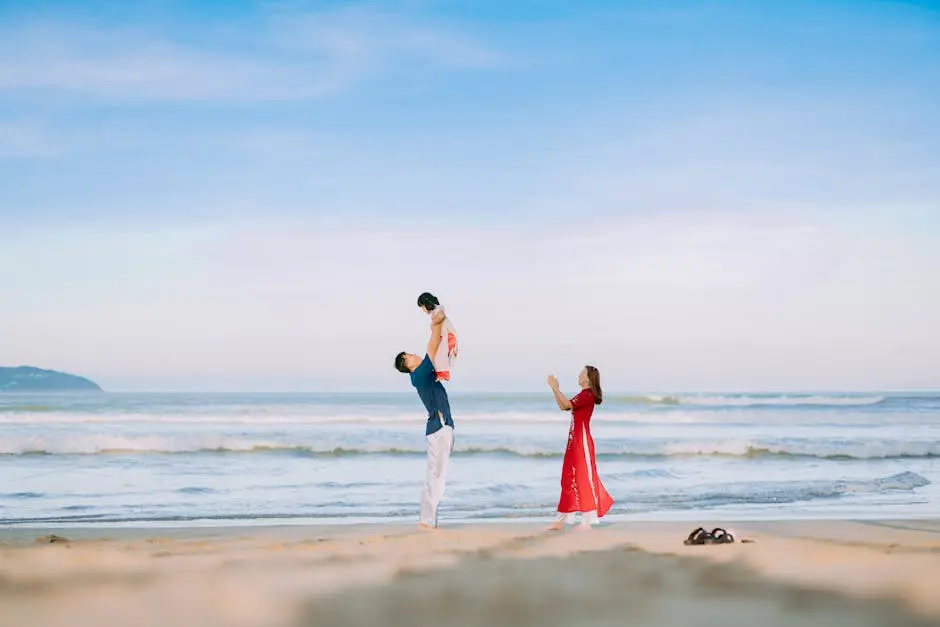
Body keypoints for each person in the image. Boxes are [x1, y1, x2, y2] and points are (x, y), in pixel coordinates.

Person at [394, 313, 455, 530]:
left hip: (440, 428)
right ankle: (427, 521)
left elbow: (436, 346)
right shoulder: (419, 374)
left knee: (435, 474)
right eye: (409, 356)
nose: (414, 354)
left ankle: (428, 520)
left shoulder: (424, 374)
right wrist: (436, 324)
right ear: (407, 365)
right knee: (437, 475)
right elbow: (433, 345)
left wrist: (437, 325)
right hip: (439, 428)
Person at [546, 366, 614, 530]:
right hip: (574, 440)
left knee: (583, 478)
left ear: (589, 378)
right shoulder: (583, 395)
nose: (578, 375)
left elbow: (566, 405)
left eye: (582, 373)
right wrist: (555, 389)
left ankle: (588, 521)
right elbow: (564, 406)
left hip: (581, 441)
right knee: (568, 478)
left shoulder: (588, 395)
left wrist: (555, 387)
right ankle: (561, 520)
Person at [416, 292, 458, 382]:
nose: (423, 310)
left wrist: (433, 323)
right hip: (446, 336)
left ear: (427, 304)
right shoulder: (435, 311)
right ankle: (441, 373)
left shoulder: (438, 310)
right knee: (439, 354)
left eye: (422, 307)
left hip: (449, 336)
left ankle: (443, 374)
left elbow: (441, 316)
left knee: (439, 354)